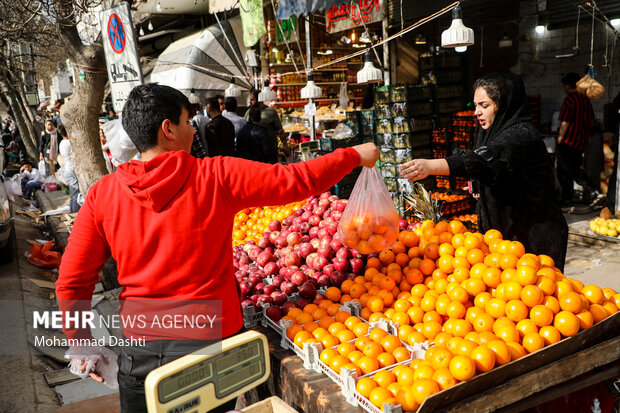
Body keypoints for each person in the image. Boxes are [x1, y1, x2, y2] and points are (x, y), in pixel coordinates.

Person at [55, 83, 379, 413]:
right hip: (211, 348)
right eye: (185, 121)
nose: (192, 128)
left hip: (144, 354)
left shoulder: (103, 194)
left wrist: (82, 345)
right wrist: (353, 155)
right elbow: (296, 179)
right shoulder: (214, 175)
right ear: (167, 129)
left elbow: (72, 281)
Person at [400, 73, 568, 270]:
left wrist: (429, 166)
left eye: (484, 105)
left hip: (534, 235)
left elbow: (483, 160)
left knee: (534, 293)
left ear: (503, 105)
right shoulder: (492, 133)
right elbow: (494, 168)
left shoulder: (521, 135)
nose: (476, 112)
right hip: (507, 236)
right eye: (476, 106)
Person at [556, 72, 600, 208]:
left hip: (568, 142)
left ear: (568, 86)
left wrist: (559, 139)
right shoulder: (586, 100)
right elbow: (592, 121)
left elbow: (565, 122)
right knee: (575, 168)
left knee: (564, 171)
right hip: (581, 141)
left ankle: (567, 198)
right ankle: (593, 190)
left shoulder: (570, 100)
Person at [245, 89, 287, 162]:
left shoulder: (270, 112)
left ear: (259, 100)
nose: (250, 102)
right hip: (255, 153)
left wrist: (285, 146)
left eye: (252, 100)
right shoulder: (248, 112)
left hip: (270, 151)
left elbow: (280, 130)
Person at [57, 124, 81, 213]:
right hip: (71, 170)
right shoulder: (69, 143)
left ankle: (73, 212)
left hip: (67, 170)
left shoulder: (62, 143)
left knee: (73, 195)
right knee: (76, 195)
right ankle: (75, 214)